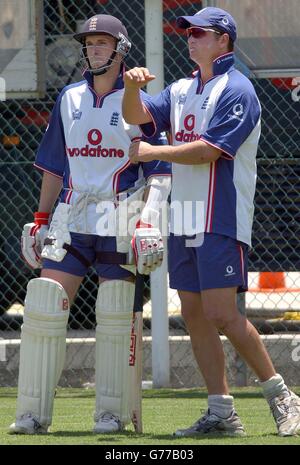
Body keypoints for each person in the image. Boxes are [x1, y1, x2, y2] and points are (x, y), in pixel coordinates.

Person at [122, 7, 300, 437]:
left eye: (200, 32)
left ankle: (283, 397)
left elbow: (209, 151)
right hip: (183, 216)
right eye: (187, 32)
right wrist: (130, 88)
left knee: (222, 313)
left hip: (220, 214)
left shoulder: (239, 89)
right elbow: (136, 117)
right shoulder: (182, 88)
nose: (190, 38)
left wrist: (152, 153)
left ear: (224, 40)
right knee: (196, 315)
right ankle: (221, 411)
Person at [9, 14, 171, 435]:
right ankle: (31, 414)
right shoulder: (69, 97)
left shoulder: (139, 102)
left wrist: (149, 219)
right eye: (90, 42)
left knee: (116, 314)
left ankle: (111, 414)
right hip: (73, 214)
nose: (94, 49)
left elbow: (159, 170)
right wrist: (40, 219)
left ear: (120, 50)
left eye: (103, 42)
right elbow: (52, 167)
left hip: (123, 214)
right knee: (44, 304)